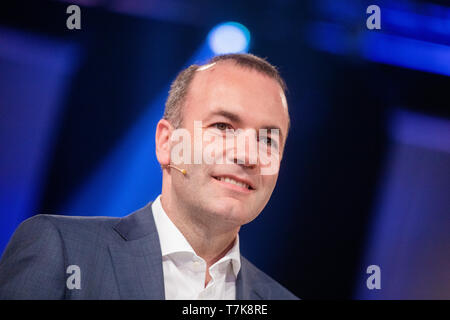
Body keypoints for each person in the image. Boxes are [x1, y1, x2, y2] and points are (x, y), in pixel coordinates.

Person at [0, 53, 298, 300]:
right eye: (222, 127)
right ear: (167, 143)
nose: (247, 156)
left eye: (268, 140)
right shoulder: (62, 251)